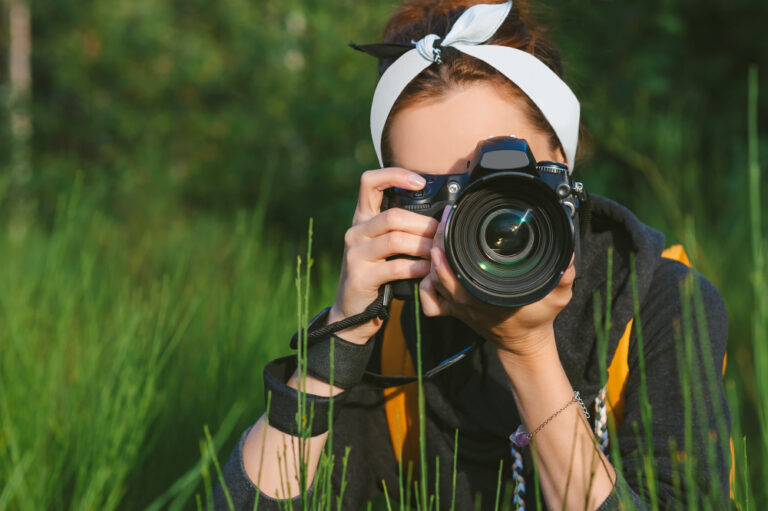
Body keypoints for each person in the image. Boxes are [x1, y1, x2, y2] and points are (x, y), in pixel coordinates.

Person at [214, 1, 730, 509]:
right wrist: (340, 339)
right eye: (436, 190)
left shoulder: (659, 301)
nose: (472, 214)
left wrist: (527, 352)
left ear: (561, 163)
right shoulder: (393, 326)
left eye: (498, 179)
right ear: (392, 200)